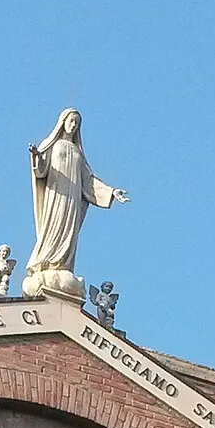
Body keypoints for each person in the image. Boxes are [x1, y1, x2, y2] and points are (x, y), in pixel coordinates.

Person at [21, 109, 126, 302]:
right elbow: (41, 170)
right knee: (52, 229)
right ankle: (45, 261)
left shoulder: (78, 152)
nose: (73, 125)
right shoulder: (52, 145)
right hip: (55, 194)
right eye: (71, 121)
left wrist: (111, 192)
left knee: (68, 231)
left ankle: (62, 265)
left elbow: (89, 180)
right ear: (63, 122)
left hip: (72, 198)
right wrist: (37, 157)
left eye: (77, 123)